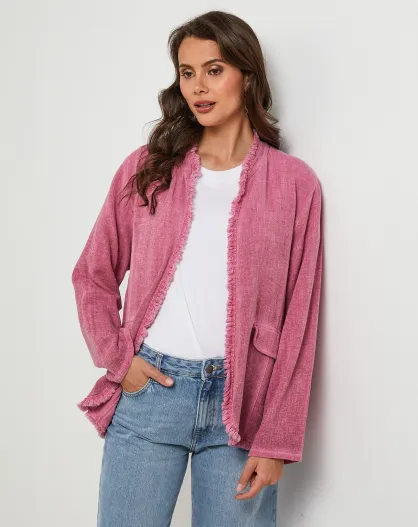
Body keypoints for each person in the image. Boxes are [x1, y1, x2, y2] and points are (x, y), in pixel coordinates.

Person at [71, 10, 323, 527]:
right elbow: (93, 274)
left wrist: (275, 439)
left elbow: (300, 320)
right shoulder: (149, 167)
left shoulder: (295, 184)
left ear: (247, 76)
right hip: (150, 393)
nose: (198, 87)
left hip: (242, 407)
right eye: (187, 73)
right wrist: (119, 360)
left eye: (214, 70)